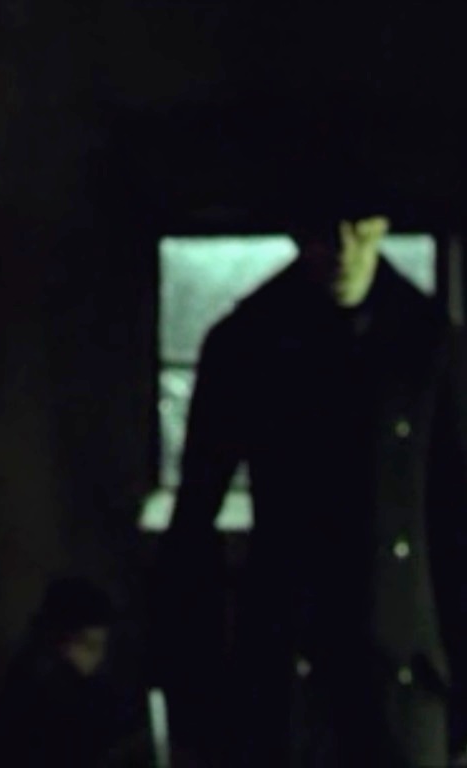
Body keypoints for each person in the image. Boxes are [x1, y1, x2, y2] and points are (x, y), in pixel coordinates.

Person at [151, 191, 467, 766]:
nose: (343, 247)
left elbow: (455, 524)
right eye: (324, 228)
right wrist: (194, 688)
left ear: (382, 222)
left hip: (402, 670)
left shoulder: (430, 343)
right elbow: (193, 522)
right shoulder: (246, 342)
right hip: (286, 666)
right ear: (298, 231)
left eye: (357, 224)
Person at [0, 578, 127, 768]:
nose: (100, 657)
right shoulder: (39, 697)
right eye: (91, 646)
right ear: (62, 642)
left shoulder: (81, 690)